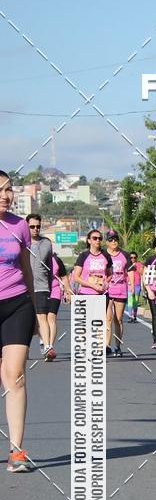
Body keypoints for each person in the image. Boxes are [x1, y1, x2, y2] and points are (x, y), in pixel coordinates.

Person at [0, 170, 37, 472]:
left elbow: (26, 269)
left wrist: (35, 312)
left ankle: (16, 451)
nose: (5, 194)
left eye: (9, 189)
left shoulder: (20, 226)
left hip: (17, 303)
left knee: (15, 376)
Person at [26, 214, 56, 361]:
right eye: (32, 226)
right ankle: (26, 347)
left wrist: (50, 285)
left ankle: (47, 346)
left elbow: (50, 266)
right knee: (27, 321)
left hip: (42, 287)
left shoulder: (46, 243)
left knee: (42, 317)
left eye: (38, 226)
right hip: (24, 287)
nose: (36, 229)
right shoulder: (21, 242)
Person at [105, 229, 133, 356]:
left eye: (115, 239)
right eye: (111, 240)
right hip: (107, 288)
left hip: (121, 288)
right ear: (107, 242)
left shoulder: (125, 254)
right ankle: (106, 345)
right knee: (108, 318)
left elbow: (131, 270)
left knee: (119, 318)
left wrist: (131, 285)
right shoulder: (104, 255)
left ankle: (118, 346)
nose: (114, 241)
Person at [72, 230, 113, 298]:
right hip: (85, 293)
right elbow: (76, 277)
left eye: (100, 238)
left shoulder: (106, 255)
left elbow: (110, 274)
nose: (97, 240)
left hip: (102, 294)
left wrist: (105, 283)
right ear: (89, 240)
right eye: (94, 238)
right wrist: (93, 285)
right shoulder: (83, 256)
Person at [142, 237, 156, 348]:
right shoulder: (150, 260)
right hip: (153, 292)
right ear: (154, 249)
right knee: (155, 316)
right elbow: (145, 276)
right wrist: (148, 290)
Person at [48, 252, 71, 350]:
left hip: (55, 291)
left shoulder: (56, 260)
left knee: (51, 317)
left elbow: (64, 277)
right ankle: (44, 341)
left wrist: (68, 292)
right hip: (40, 291)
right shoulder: (34, 258)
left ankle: (49, 346)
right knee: (41, 319)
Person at [127, 250, 143, 322]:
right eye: (131, 257)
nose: (133, 259)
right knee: (130, 301)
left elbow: (142, 273)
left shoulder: (139, 264)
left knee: (135, 301)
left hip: (137, 285)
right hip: (129, 285)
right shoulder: (127, 264)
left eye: (134, 257)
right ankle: (130, 316)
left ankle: (134, 316)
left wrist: (136, 267)